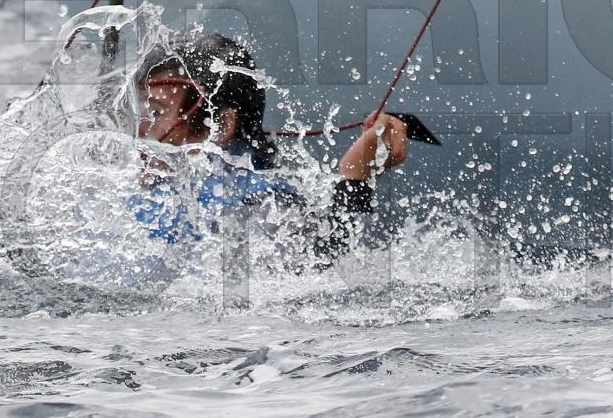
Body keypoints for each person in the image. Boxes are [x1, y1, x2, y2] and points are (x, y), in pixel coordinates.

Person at [128, 32, 409, 255]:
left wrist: (354, 178)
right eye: (138, 112)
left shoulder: (261, 204)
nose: (139, 129)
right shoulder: (134, 193)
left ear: (221, 126)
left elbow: (324, 263)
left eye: (156, 113)